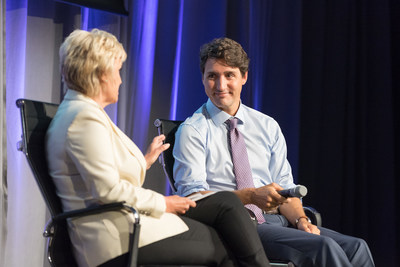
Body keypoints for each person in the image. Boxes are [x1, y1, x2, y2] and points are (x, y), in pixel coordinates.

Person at [46, 29, 270, 267]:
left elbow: (99, 174)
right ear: (102, 74)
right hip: (114, 236)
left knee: (226, 209)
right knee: (226, 231)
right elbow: (107, 191)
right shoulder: (83, 118)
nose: (120, 79)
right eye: (117, 71)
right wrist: (165, 203)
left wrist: (144, 162)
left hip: (125, 225)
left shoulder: (83, 113)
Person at [173, 37, 375, 267]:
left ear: (244, 77)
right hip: (236, 227)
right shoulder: (192, 131)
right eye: (212, 76)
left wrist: (300, 219)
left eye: (229, 75)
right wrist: (250, 196)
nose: (220, 86)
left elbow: (285, 188)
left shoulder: (267, 126)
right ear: (203, 78)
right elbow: (193, 198)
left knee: (357, 247)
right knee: (323, 248)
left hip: (278, 222)